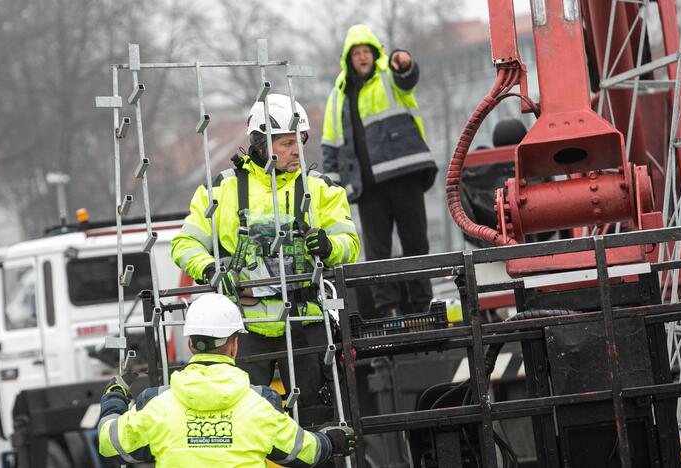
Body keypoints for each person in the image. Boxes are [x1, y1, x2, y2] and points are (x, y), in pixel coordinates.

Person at [170, 94, 359, 420]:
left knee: (316, 419)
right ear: (260, 144)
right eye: (286, 143)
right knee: (241, 419)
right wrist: (210, 268)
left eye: (299, 141)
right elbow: (184, 244)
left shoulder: (321, 189)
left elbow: (350, 243)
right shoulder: (221, 190)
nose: (295, 151)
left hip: (305, 320)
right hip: (243, 329)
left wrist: (330, 247)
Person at [98, 293, 356, 466]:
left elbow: (108, 441)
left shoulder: (157, 404)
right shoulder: (260, 404)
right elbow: (306, 451)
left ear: (190, 344)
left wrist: (114, 397)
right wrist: (332, 441)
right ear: (234, 346)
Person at [322, 24, 437, 317]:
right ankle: (387, 311)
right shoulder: (338, 94)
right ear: (348, 59)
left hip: (403, 177)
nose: (362, 57)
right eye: (356, 53)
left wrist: (404, 61)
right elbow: (331, 143)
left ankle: (421, 307)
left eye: (366, 52)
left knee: (415, 243)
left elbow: (407, 76)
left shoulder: (389, 75)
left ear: (375, 54)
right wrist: (333, 190)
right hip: (368, 187)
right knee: (377, 253)